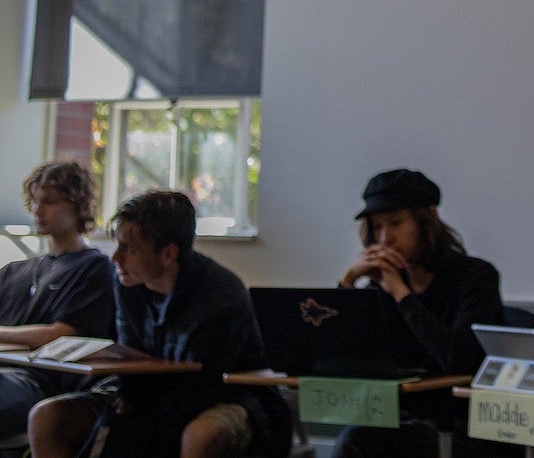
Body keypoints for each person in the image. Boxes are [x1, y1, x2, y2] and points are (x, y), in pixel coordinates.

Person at [27, 190, 290, 458]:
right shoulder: (127, 283)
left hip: (230, 395)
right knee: (47, 417)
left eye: (129, 249)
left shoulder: (221, 295)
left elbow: (203, 386)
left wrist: (135, 406)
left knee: (201, 435)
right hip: (148, 392)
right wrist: (128, 394)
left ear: (168, 254)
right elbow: (129, 360)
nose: (115, 258)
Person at [331, 168, 505, 458]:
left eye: (396, 224)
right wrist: (347, 281)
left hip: (460, 423)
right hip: (396, 416)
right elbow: (340, 351)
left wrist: (402, 295)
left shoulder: (476, 277)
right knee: (355, 440)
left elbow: (457, 358)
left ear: (429, 220)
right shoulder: (381, 284)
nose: (385, 238)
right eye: (377, 226)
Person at [0, 161, 114, 438]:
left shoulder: (93, 268)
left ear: (78, 206)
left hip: (36, 383)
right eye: (35, 202)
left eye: (49, 202)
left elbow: (64, 334)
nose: (38, 211)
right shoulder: (14, 271)